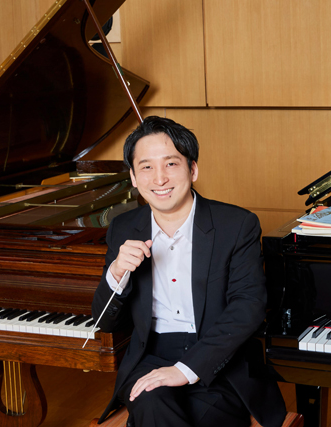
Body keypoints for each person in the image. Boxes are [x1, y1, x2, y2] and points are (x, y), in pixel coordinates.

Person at [92, 116, 286, 427]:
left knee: (195, 416)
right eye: (146, 167)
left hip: (219, 357)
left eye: (171, 164)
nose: (159, 179)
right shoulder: (123, 228)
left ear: (192, 169)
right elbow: (105, 321)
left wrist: (185, 369)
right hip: (150, 355)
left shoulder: (236, 225)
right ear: (133, 177)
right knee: (150, 399)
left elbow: (247, 307)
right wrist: (116, 272)